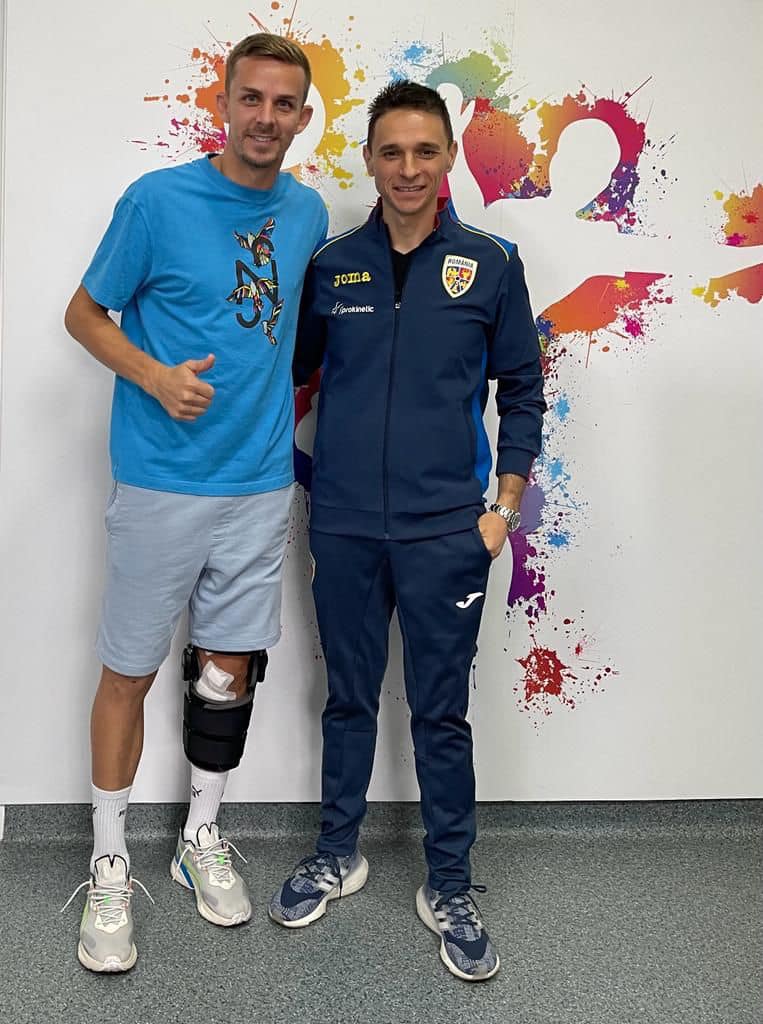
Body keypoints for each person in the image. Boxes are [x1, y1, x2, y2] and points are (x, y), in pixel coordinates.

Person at [269, 80, 546, 982]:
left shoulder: (491, 263)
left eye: (425, 150)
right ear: (369, 160)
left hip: (446, 534)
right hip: (346, 525)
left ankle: (450, 884)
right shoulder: (330, 266)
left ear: (448, 157)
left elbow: (523, 393)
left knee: (439, 712)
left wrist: (501, 510)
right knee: (347, 699)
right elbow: (292, 376)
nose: (408, 168)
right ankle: (335, 852)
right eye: (391, 151)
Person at [62, 33, 327, 973]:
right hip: (161, 482)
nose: (265, 117)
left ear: (302, 117)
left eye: (283, 104)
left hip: (257, 485)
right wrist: (152, 375)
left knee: (227, 670)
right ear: (223, 104)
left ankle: (199, 837)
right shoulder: (156, 201)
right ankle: (109, 860)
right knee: (128, 672)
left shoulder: (306, 211)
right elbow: (83, 314)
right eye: (250, 98)